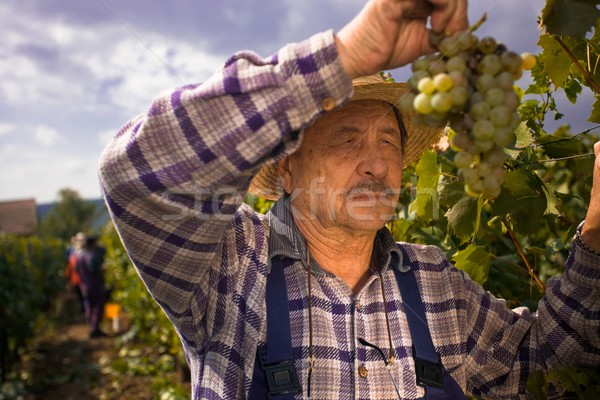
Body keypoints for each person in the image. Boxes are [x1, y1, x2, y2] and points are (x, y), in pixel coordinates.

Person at [99, 0, 600, 398]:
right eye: (347, 138)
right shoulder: (230, 267)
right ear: (288, 166)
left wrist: (596, 235)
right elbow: (137, 177)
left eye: (389, 142)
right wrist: (344, 56)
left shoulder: (436, 283)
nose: (377, 163)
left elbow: (548, 368)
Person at [74, 235, 108, 338]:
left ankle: (91, 326)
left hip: (84, 285)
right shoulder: (92, 255)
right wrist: (103, 269)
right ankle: (95, 328)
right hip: (95, 284)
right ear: (93, 244)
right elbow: (93, 268)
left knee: (88, 305)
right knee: (98, 306)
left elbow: (76, 270)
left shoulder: (80, 256)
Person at [65, 232, 86, 313]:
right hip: (80, 279)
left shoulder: (77, 254)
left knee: (82, 295)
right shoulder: (77, 254)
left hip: (79, 279)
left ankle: (83, 308)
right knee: (82, 295)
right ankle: (83, 308)